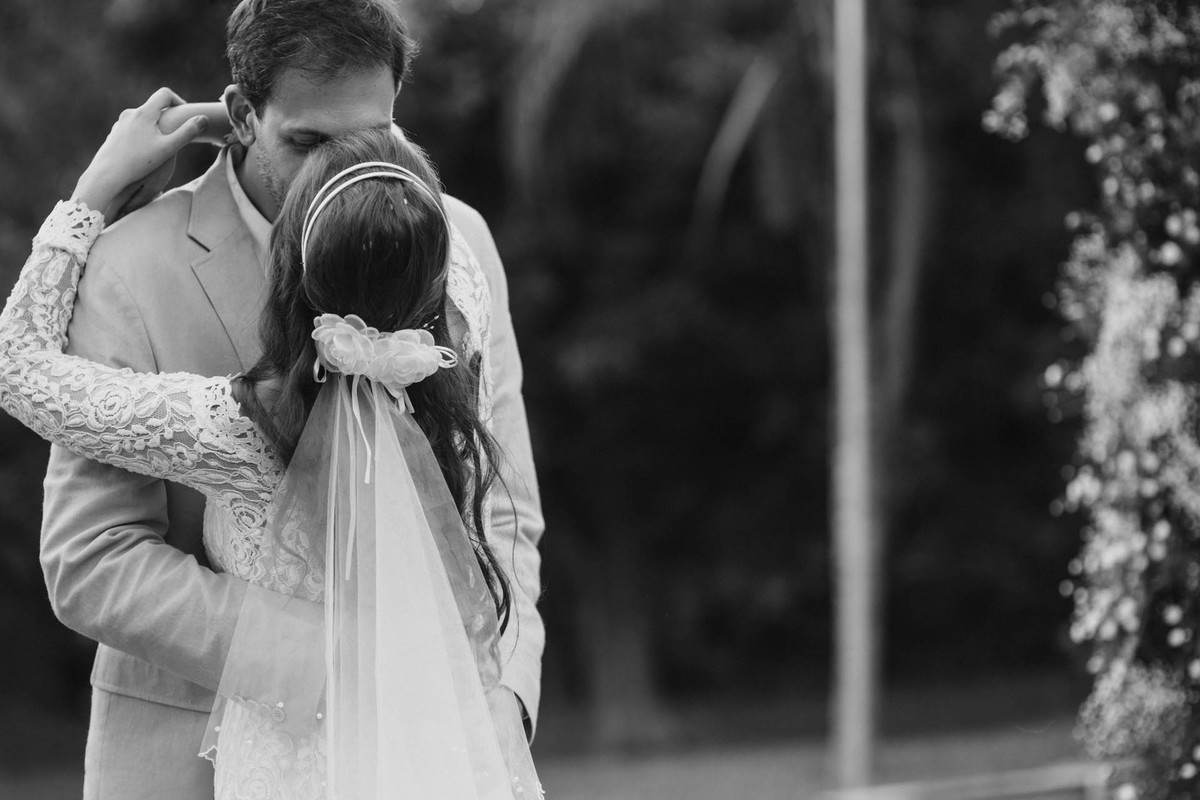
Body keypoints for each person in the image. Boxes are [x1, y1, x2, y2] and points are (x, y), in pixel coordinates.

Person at [38, 2, 545, 797]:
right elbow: (90, 559)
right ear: (240, 115)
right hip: (188, 763)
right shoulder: (130, 266)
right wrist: (340, 663)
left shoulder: (462, 241)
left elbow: (503, 504)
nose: (335, 171)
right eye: (307, 142)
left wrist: (505, 699)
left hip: (445, 747)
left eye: (367, 134)